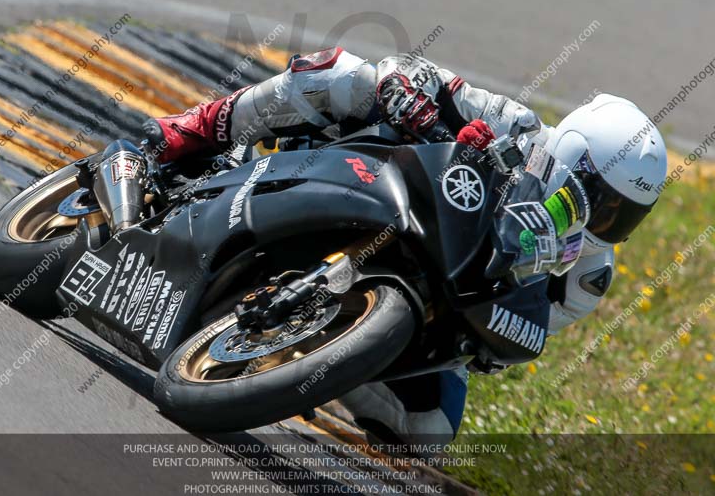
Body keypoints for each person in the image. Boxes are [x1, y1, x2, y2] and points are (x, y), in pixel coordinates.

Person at [141, 47, 668, 446]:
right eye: (600, 200)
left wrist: (486, 336)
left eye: (624, 216)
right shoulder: (519, 127)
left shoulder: (587, 276)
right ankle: (195, 129)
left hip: (425, 298)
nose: (604, 220)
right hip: (359, 179)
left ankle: (303, 362)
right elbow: (408, 68)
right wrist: (417, 105)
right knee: (348, 75)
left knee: (431, 430)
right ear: (570, 155)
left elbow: (496, 349)